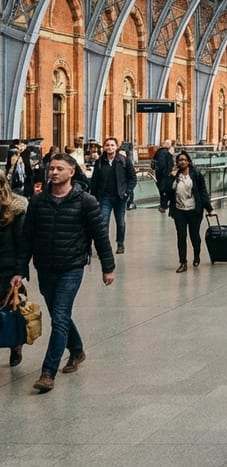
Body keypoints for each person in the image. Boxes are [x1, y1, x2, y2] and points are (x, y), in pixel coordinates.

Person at [15, 153, 116, 393]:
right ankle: (77, 350)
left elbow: (101, 237)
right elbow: (27, 238)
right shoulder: (38, 202)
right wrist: (20, 270)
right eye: (51, 168)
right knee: (59, 315)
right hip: (45, 267)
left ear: (72, 171)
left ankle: (47, 373)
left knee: (59, 316)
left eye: (59, 168)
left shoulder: (86, 201)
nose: (54, 172)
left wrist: (108, 267)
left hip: (72, 267)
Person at [0, 173, 29, 367]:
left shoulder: (16, 210)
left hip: (6, 269)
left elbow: (23, 244)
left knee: (9, 309)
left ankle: (15, 343)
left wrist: (20, 272)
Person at [168, 151, 213, 272]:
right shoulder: (175, 175)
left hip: (194, 210)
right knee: (181, 236)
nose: (181, 162)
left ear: (188, 161)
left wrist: (209, 209)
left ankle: (197, 255)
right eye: (179, 160)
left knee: (194, 236)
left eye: (184, 160)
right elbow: (165, 190)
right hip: (179, 211)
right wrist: (171, 177)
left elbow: (203, 192)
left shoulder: (196, 174)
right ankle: (183, 262)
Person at [90, 137, 137, 254]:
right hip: (104, 197)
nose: (110, 147)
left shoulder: (124, 161)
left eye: (112, 145)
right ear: (104, 147)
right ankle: (104, 245)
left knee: (120, 222)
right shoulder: (99, 162)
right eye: (107, 145)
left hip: (120, 197)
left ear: (116, 147)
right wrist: (93, 197)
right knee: (103, 221)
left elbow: (132, 178)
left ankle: (120, 243)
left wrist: (127, 191)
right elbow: (94, 181)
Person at [152, 139, 176, 212]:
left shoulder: (161, 152)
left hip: (162, 176)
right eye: (167, 143)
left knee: (164, 191)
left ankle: (163, 206)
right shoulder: (164, 153)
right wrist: (168, 174)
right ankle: (163, 206)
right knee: (165, 190)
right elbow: (163, 165)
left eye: (168, 143)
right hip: (164, 176)